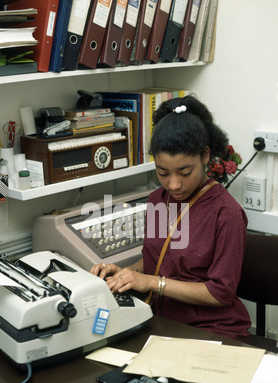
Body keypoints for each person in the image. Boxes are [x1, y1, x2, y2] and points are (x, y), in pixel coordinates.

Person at [90, 95, 251, 339]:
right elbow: (159, 259)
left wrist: (152, 283)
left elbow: (220, 293)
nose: (174, 184)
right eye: (162, 172)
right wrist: (125, 275)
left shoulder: (226, 212)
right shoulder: (158, 200)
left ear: (205, 156)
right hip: (161, 322)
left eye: (185, 172)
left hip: (213, 330)